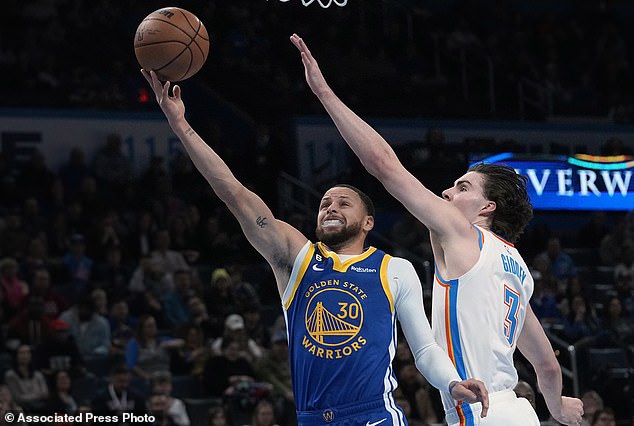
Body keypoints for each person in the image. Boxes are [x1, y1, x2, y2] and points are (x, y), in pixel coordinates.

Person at [142, 68, 488, 426]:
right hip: (310, 418)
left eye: (342, 203)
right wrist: (181, 125)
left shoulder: (394, 269)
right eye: (324, 203)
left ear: (368, 222)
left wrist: (451, 382)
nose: (330, 208)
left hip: (374, 416)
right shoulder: (297, 257)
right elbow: (234, 192)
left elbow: (426, 348)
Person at [290, 34, 582, 425]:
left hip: (480, 411)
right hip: (516, 410)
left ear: (487, 207)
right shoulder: (517, 268)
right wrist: (560, 408)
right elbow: (546, 364)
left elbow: (384, 166)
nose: (446, 191)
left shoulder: (463, 234)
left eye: (462, 187)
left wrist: (324, 93)